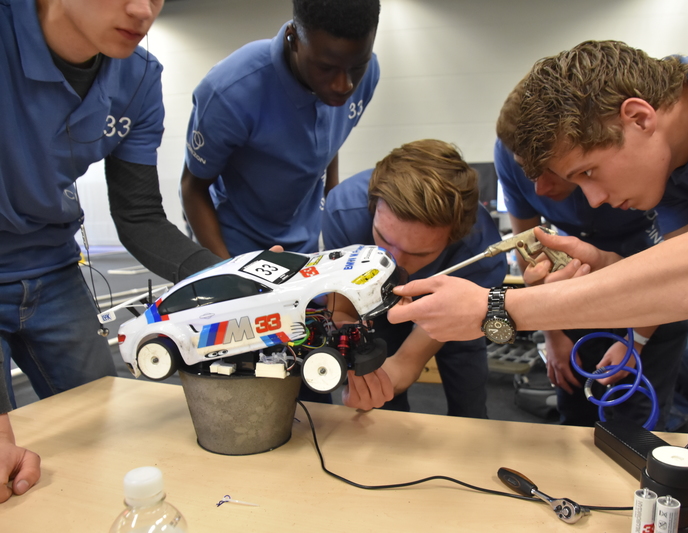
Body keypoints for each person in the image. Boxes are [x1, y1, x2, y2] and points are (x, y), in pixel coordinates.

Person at [387, 3, 688, 353]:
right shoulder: (671, 169)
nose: (595, 199)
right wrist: (608, 268)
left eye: (588, 172)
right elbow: (678, 280)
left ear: (639, 117)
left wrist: (497, 308)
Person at [0, 0, 224, 501]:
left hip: (52, 266)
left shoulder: (138, 78)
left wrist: (230, 276)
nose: (142, 10)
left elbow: (140, 216)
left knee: (109, 429)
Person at [494, 80, 688, 429]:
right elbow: (529, 245)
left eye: (550, 173)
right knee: (575, 412)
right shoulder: (510, 154)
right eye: (528, 174)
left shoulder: (641, 167)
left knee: (637, 420)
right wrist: (551, 334)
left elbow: (680, 265)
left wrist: (638, 340)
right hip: (581, 285)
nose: (539, 190)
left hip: (656, 292)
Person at [181, 0, 381, 258]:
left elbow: (328, 141)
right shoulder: (229, 92)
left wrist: (331, 206)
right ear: (293, 38)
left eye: (357, 66)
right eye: (326, 68)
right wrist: (225, 272)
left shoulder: (367, 73)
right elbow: (192, 189)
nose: (344, 85)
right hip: (233, 244)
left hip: (304, 244)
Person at [322, 140, 506, 417]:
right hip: (372, 304)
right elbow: (342, 313)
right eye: (383, 239)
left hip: (458, 305)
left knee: (468, 395)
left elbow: (408, 364)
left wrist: (405, 365)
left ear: (454, 238)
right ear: (372, 207)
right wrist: (360, 368)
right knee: (379, 398)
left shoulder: (478, 248)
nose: (393, 263)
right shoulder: (343, 212)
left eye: (418, 253)